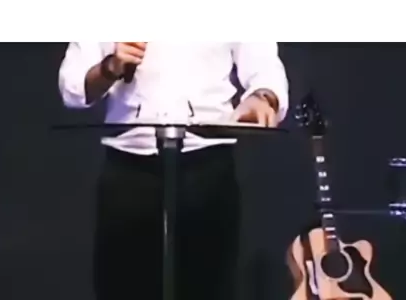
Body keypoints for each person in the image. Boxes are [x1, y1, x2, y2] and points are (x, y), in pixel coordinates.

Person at [58, 42, 289, 300]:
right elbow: (73, 87)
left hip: (206, 169)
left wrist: (262, 98)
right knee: (122, 287)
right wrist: (109, 68)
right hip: (129, 171)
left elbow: (264, 67)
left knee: (209, 288)